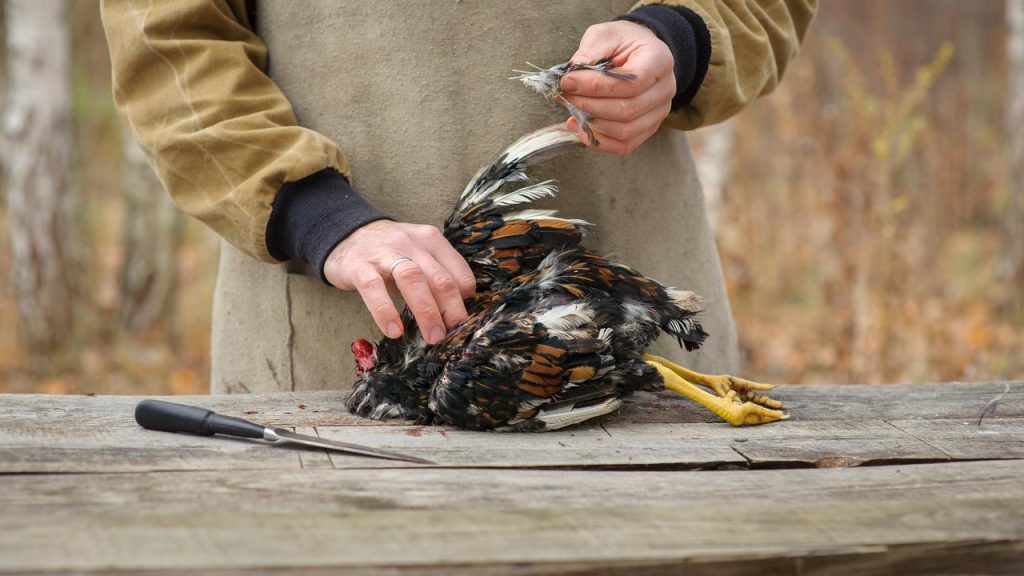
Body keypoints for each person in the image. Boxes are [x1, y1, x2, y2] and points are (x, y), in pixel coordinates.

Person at [102, 1, 816, 394]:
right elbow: (169, 38)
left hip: (644, 336)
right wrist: (316, 214)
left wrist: (682, 38)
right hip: (333, 365)